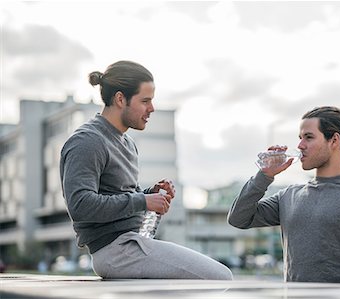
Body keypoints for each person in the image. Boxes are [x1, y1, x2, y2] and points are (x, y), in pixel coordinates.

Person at [60, 60, 232, 280]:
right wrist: (143, 201)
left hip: (133, 242)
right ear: (120, 99)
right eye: (145, 101)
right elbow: (80, 205)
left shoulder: (127, 143)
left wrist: (150, 194)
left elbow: (118, 195)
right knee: (220, 277)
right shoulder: (87, 142)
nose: (152, 108)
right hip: (115, 251)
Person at [227, 106, 340, 284]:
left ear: (334, 140)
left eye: (309, 137)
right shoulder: (289, 196)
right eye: (300, 138)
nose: (300, 145)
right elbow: (238, 218)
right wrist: (264, 175)